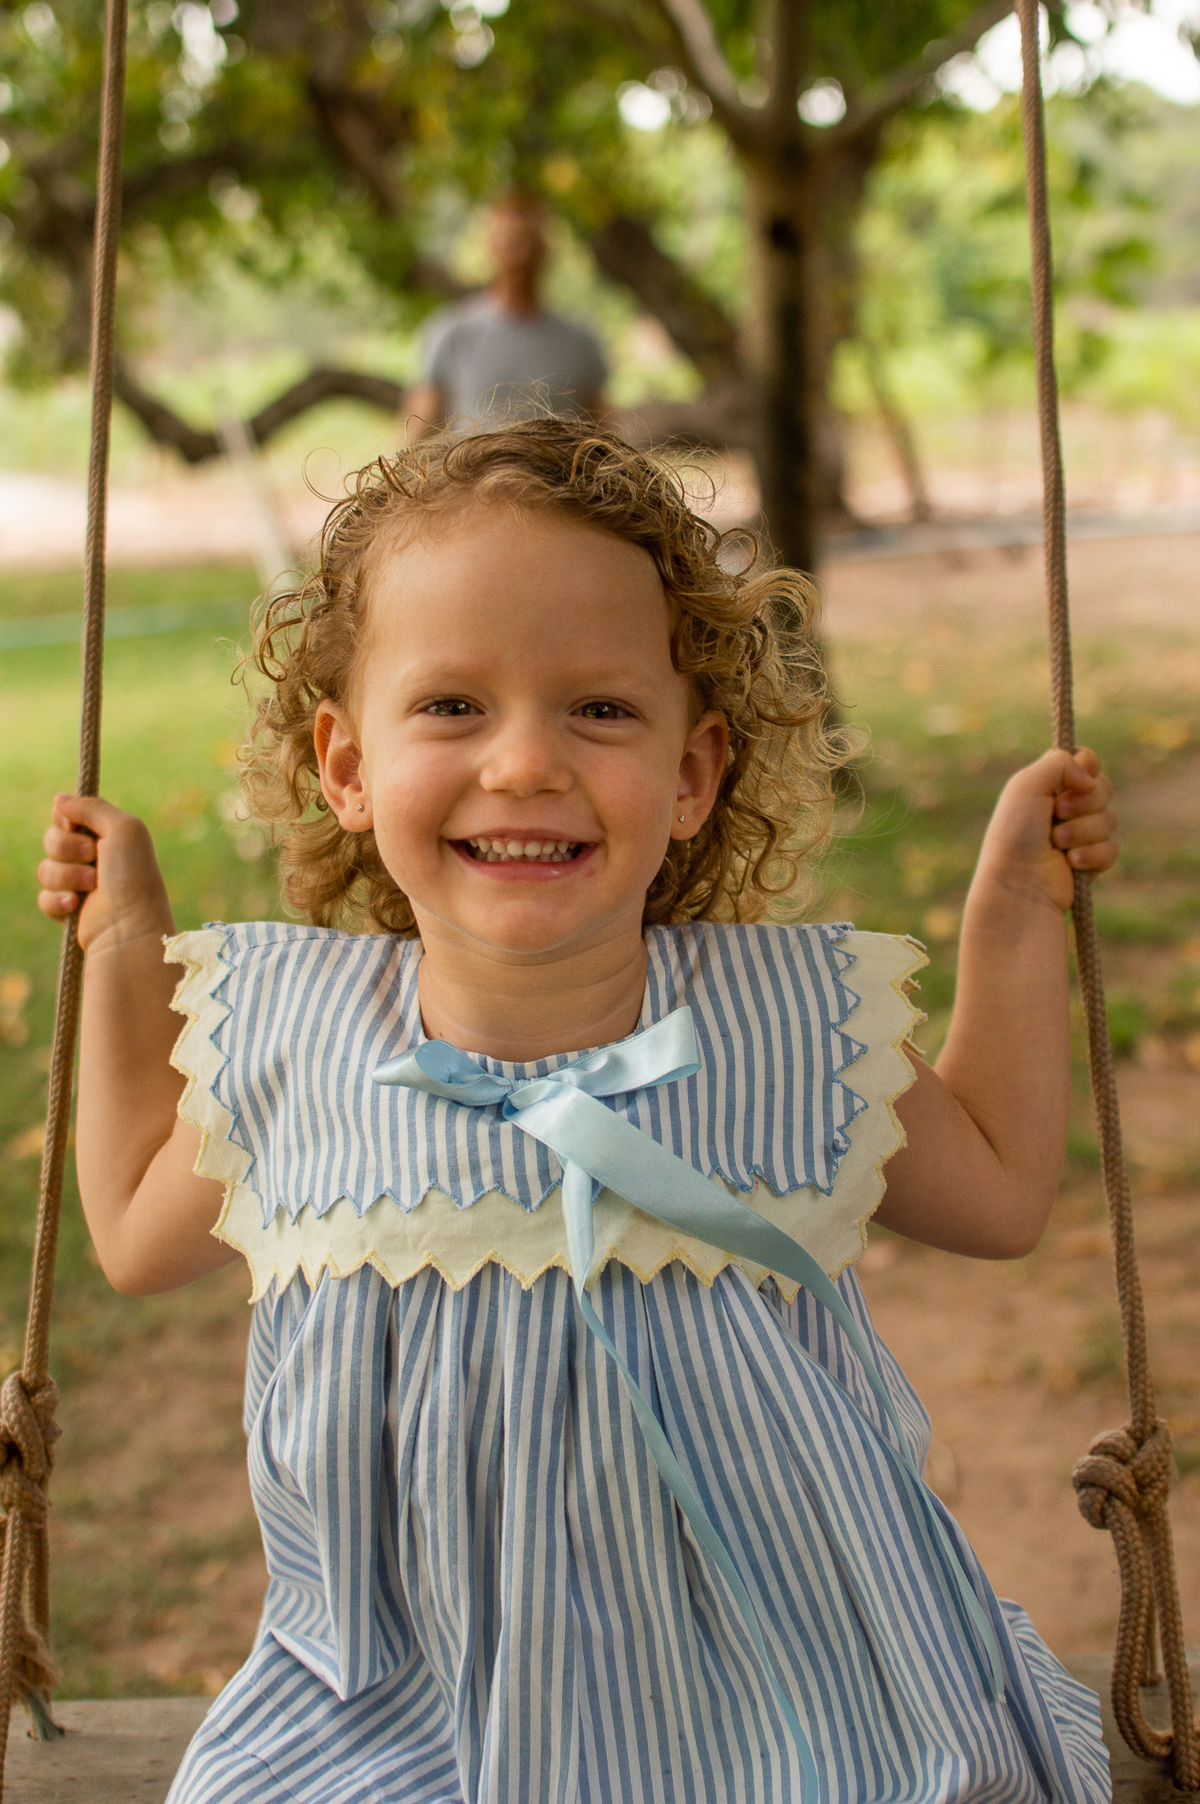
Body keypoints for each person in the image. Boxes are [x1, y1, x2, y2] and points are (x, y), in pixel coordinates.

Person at [37, 420, 1116, 1804]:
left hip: (794, 1701)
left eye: (599, 709)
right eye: (452, 707)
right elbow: (132, 1229)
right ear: (346, 764)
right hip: (415, 1716)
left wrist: (1014, 916)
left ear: (693, 774)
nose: (528, 762)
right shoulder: (299, 1049)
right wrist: (127, 943)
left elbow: (1006, 1191)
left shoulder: (781, 1031)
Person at [404, 191, 610, 436]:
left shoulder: (580, 342)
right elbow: (417, 435)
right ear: (492, 247)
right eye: (512, 243)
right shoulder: (451, 334)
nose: (521, 256)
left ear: (546, 250)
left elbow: (606, 436)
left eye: (531, 243)